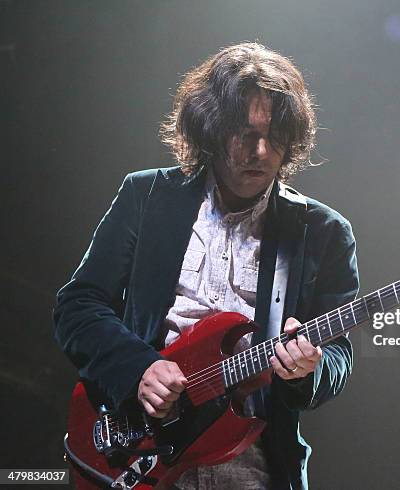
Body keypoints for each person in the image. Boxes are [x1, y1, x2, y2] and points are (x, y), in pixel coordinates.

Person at [54, 42, 359, 489]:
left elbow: (338, 354)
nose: (258, 151)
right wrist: (139, 368)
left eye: (273, 136)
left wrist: (308, 368)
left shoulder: (322, 231)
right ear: (210, 129)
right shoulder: (147, 197)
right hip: (138, 452)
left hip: (250, 465)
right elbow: (77, 307)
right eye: (243, 133)